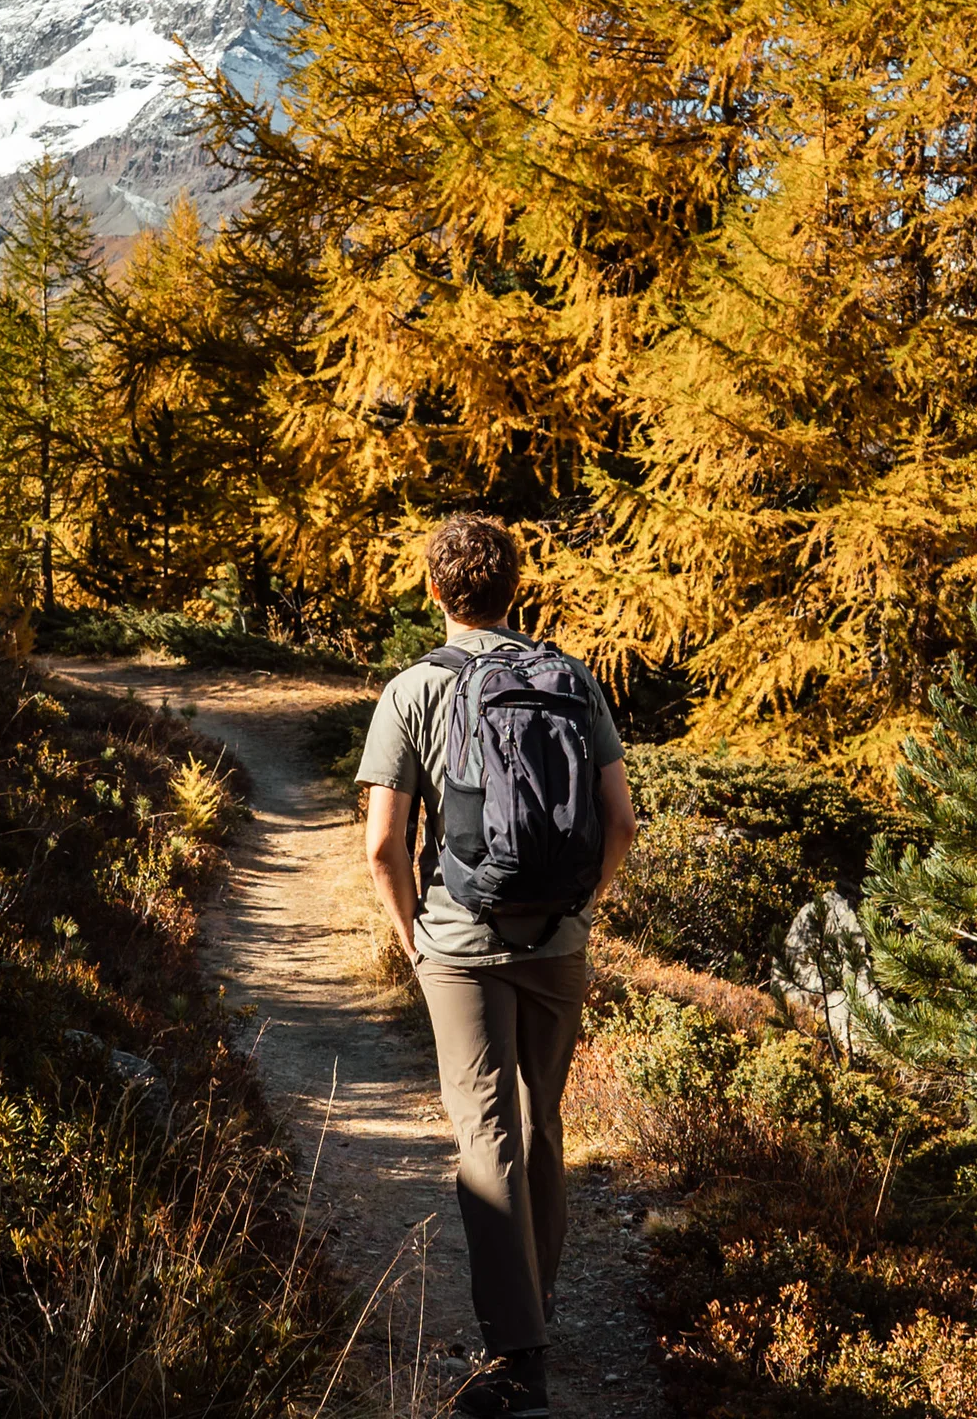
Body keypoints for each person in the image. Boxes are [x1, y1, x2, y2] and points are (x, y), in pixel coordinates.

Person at [357, 514, 638, 1419]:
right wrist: (582, 909)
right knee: (542, 1125)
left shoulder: (415, 691)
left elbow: (382, 844)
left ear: (434, 590)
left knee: (486, 1137)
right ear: (514, 589)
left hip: (460, 942)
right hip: (559, 941)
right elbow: (621, 822)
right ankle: (537, 1307)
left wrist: (411, 934)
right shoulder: (570, 677)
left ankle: (518, 1361)